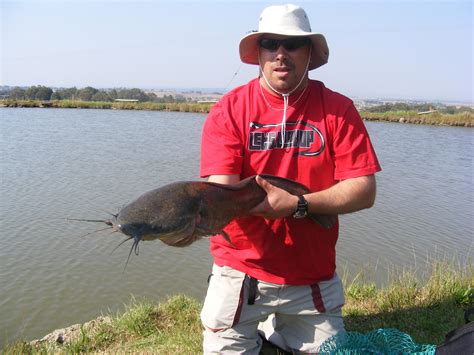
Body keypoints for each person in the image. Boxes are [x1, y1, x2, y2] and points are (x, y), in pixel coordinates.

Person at [199, 4, 381, 354]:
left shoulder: (338, 109)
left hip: (311, 276)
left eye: (292, 44)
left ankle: (274, 329)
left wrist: (298, 205)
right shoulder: (229, 110)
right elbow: (220, 193)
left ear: (309, 52)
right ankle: (266, 325)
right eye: (270, 42)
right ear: (259, 53)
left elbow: (364, 190)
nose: (281, 53)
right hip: (240, 273)